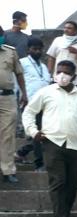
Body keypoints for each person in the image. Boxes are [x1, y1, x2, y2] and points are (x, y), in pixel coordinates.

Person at [22, 60, 77, 217]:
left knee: (71, 186)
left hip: (75, 146)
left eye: (66, 72)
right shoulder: (46, 92)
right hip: (52, 143)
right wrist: (33, 131)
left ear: (74, 76)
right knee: (58, 181)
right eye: (59, 72)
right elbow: (29, 112)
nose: (62, 75)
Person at [15, 37, 51, 172]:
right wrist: (18, 98)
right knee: (37, 134)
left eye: (39, 49)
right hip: (29, 103)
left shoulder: (43, 66)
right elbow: (16, 82)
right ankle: (39, 164)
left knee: (44, 133)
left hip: (45, 104)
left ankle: (21, 153)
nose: (37, 51)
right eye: (34, 49)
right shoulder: (22, 63)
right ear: (28, 50)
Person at [0, 25, 28, 183]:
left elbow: (19, 74)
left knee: (7, 136)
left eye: (0, 34)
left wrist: (24, 93)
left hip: (7, 98)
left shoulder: (11, 51)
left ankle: (8, 170)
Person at [47, 21, 77, 90]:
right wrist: (49, 74)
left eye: (69, 28)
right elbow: (51, 57)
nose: (66, 30)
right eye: (65, 28)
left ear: (76, 31)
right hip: (58, 78)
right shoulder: (58, 40)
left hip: (75, 81)